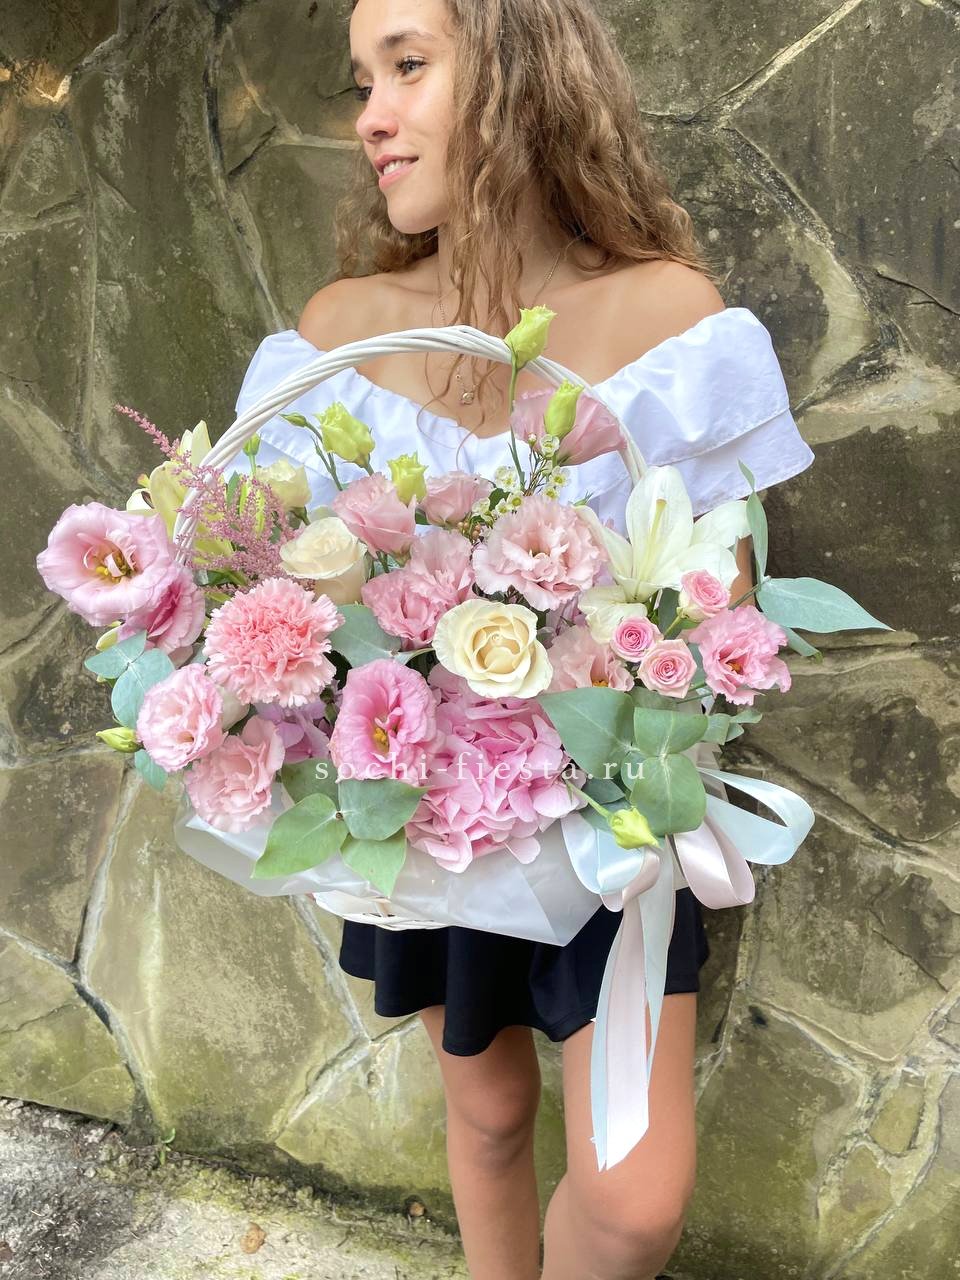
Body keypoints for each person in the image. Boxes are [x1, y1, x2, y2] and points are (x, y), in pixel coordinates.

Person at [230, 2, 816, 1276]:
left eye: (408, 66)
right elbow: (275, 589)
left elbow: (719, 600)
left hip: (606, 827)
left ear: (519, 75)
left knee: (634, 1201)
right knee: (488, 1108)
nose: (372, 117)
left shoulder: (669, 316)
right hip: (428, 815)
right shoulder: (339, 334)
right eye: (362, 81)